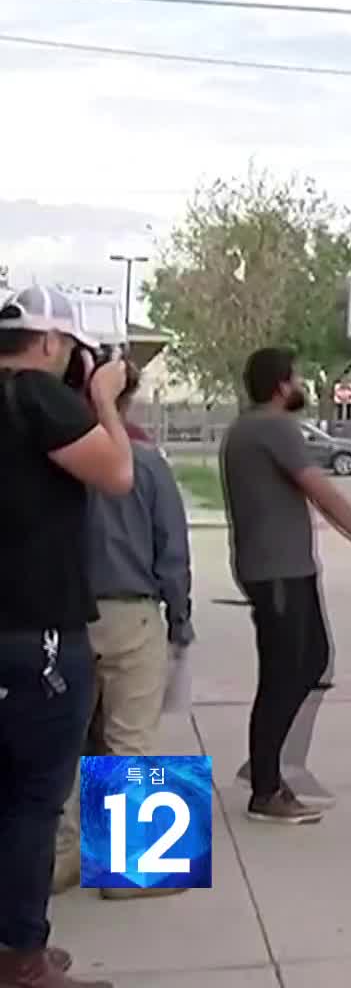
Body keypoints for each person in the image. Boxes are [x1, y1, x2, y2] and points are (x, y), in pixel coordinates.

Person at [1, 285, 135, 988]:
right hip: (40, 632)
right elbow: (117, 474)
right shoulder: (39, 398)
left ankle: (15, 944)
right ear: (52, 344)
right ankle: (20, 958)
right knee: (32, 800)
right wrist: (104, 397)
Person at [220, 347, 351, 826]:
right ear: (282, 385)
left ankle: (269, 774)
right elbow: (321, 491)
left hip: (282, 568)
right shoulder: (273, 427)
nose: (301, 383)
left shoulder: (247, 429)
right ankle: (265, 787)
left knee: (310, 661)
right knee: (286, 673)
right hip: (277, 571)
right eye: (297, 376)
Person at [52, 362, 195, 900]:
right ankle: (132, 867)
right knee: (130, 739)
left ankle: (62, 856)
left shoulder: (57, 463)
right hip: (132, 613)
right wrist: (180, 619)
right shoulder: (148, 465)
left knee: (64, 744)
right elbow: (172, 552)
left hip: (66, 614)